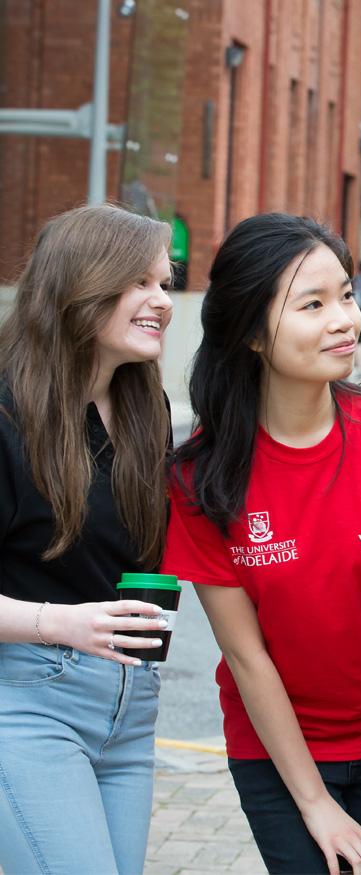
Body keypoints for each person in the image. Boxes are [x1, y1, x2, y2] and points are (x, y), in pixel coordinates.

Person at [161, 214, 361, 875]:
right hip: (276, 755)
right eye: (313, 304)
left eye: (344, 295)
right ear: (253, 332)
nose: (345, 318)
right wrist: (312, 804)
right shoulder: (200, 476)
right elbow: (245, 655)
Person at [0, 204, 174, 874]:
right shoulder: (8, 411)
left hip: (129, 710)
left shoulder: (141, 407)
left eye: (166, 282)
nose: (162, 300)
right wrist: (60, 622)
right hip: (28, 704)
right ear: (83, 284)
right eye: (141, 282)